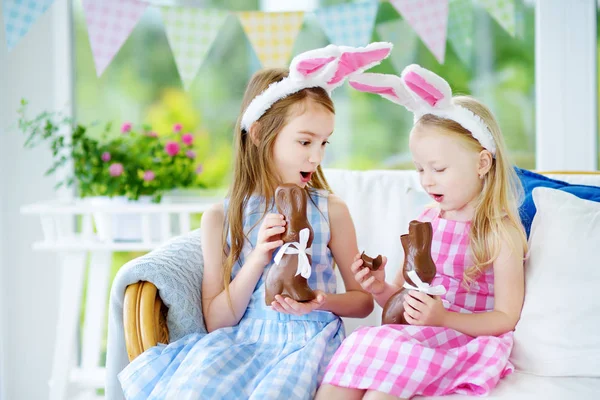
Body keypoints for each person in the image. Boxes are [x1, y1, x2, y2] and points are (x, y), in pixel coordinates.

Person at [117, 42, 393, 400]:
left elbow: (362, 302)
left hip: (310, 344)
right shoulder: (222, 217)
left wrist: (321, 300)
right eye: (305, 141)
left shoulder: (330, 210)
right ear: (261, 134)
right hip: (242, 343)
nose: (317, 156)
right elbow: (217, 319)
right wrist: (259, 257)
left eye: (324, 143)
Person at [316, 64, 528, 400]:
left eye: (439, 169)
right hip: (415, 335)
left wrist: (443, 317)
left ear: (482, 163)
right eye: (419, 168)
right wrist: (380, 286)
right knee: (363, 343)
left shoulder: (499, 234)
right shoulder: (426, 220)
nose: (427, 180)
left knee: (381, 389)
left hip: (459, 342)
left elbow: (505, 317)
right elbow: (402, 300)